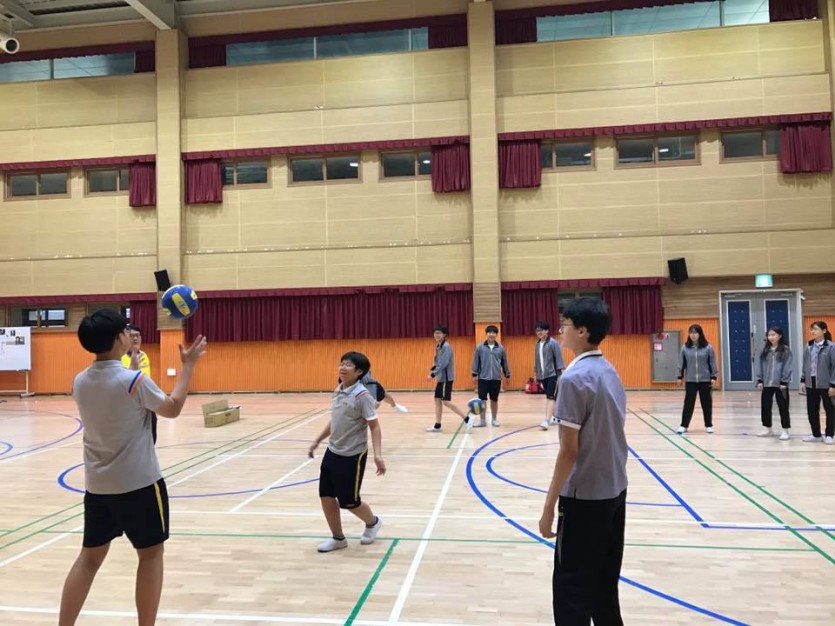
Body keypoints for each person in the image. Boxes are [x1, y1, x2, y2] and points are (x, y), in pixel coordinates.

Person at [58, 309, 207, 626]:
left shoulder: (80, 381)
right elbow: (172, 408)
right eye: (126, 331)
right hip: (139, 485)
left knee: (89, 558)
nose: (130, 334)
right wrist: (188, 367)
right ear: (118, 339)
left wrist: (134, 371)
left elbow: (114, 398)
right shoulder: (133, 381)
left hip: (98, 487)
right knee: (150, 555)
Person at [538, 298, 628, 626]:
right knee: (604, 586)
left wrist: (549, 506)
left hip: (584, 498)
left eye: (565, 324)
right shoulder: (609, 371)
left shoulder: (574, 379)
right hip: (615, 491)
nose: (560, 330)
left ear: (582, 331)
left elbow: (569, 451)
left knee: (571, 592)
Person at [308, 351, 385, 552]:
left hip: (352, 455)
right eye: (341, 363)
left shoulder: (363, 396)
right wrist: (318, 440)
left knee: (350, 502)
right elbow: (335, 420)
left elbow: (374, 426)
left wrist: (377, 455)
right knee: (326, 495)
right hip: (332, 450)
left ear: (359, 371)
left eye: (348, 365)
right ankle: (338, 538)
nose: (342, 367)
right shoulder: (339, 390)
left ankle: (373, 522)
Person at [426, 324, 473, 433]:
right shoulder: (438, 346)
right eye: (435, 333)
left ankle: (467, 419)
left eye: (439, 333)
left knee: (446, 402)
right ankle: (437, 425)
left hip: (446, 379)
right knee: (437, 400)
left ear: (444, 334)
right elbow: (438, 361)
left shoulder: (446, 347)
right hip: (441, 378)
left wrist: (432, 374)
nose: (436, 335)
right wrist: (433, 368)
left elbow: (444, 363)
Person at [676, 324, 719, 434]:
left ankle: (709, 425)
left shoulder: (708, 348)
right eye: (691, 332)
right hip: (690, 381)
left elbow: (712, 363)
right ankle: (684, 425)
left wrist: (713, 376)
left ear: (700, 334)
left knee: (706, 404)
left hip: (705, 381)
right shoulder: (685, 348)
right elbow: (681, 363)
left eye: (695, 332)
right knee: (688, 404)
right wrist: (679, 376)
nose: (693, 335)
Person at [800, 321, 835, 444]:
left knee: (830, 409)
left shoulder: (831, 346)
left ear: (824, 331)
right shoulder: (808, 346)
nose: (812, 331)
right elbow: (805, 364)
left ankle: (830, 434)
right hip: (811, 382)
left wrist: (833, 385)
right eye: (812, 329)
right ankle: (816, 434)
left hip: (826, 383)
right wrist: (803, 380)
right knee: (812, 410)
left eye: (815, 329)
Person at [121, 324, 157, 443]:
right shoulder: (120, 358)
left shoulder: (143, 355)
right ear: (125, 337)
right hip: (131, 405)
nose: (135, 338)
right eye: (132, 336)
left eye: (138, 335)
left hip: (147, 403)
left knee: (152, 437)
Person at [754, 326, 792, 440]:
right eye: (769, 335)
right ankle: (768, 429)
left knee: (783, 407)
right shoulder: (764, 350)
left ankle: (785, 430)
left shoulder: (785, 350)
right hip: (767, 383)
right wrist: (759, 380)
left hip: (780, 384)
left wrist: (784, 381)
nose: (771, 337)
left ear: (779, 336)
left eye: (773, 335)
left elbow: (788, 366)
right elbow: (759, 365)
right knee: (765, 406)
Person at [470, 325, 511, 427]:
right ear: (486, 334)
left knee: (494, 400)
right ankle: (482, 421)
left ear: (496, 334)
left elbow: (504, 362)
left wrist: (507, 374)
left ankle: (494, 419)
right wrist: (474, 374)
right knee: (482, 400)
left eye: (493, 332)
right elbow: (476, 361)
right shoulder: (480, 347)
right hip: (483, 378)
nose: (491, 334)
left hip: (496, 379)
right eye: (489, 332)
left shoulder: (500, 348)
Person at [534, 321, 564, 430]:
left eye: (541, 330)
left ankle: (546, 420)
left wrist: (561, 374)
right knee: (551, 397)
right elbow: (537, 360)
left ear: (547, 331)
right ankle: (555, 417)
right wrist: (536, 374)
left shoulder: (553, 343)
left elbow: (559, 359)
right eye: (537, 330)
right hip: (543, 375)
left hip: (553, 374)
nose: (539, 332)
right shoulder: (537, 344)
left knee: (550, 397)